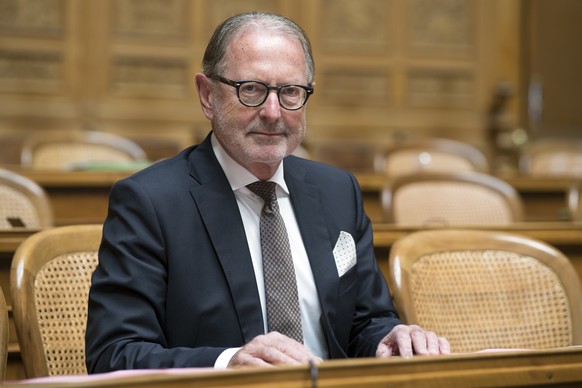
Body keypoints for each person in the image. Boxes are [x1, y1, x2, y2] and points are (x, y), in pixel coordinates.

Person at [85, 11, 450, 372]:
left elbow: (366, 322)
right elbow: (114, 354)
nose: (274, 112)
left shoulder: (338, 191)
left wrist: (391, 338)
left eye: (290, 92)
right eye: (252, 90)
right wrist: (227, 363)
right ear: (207, 95)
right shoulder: (150, 202)